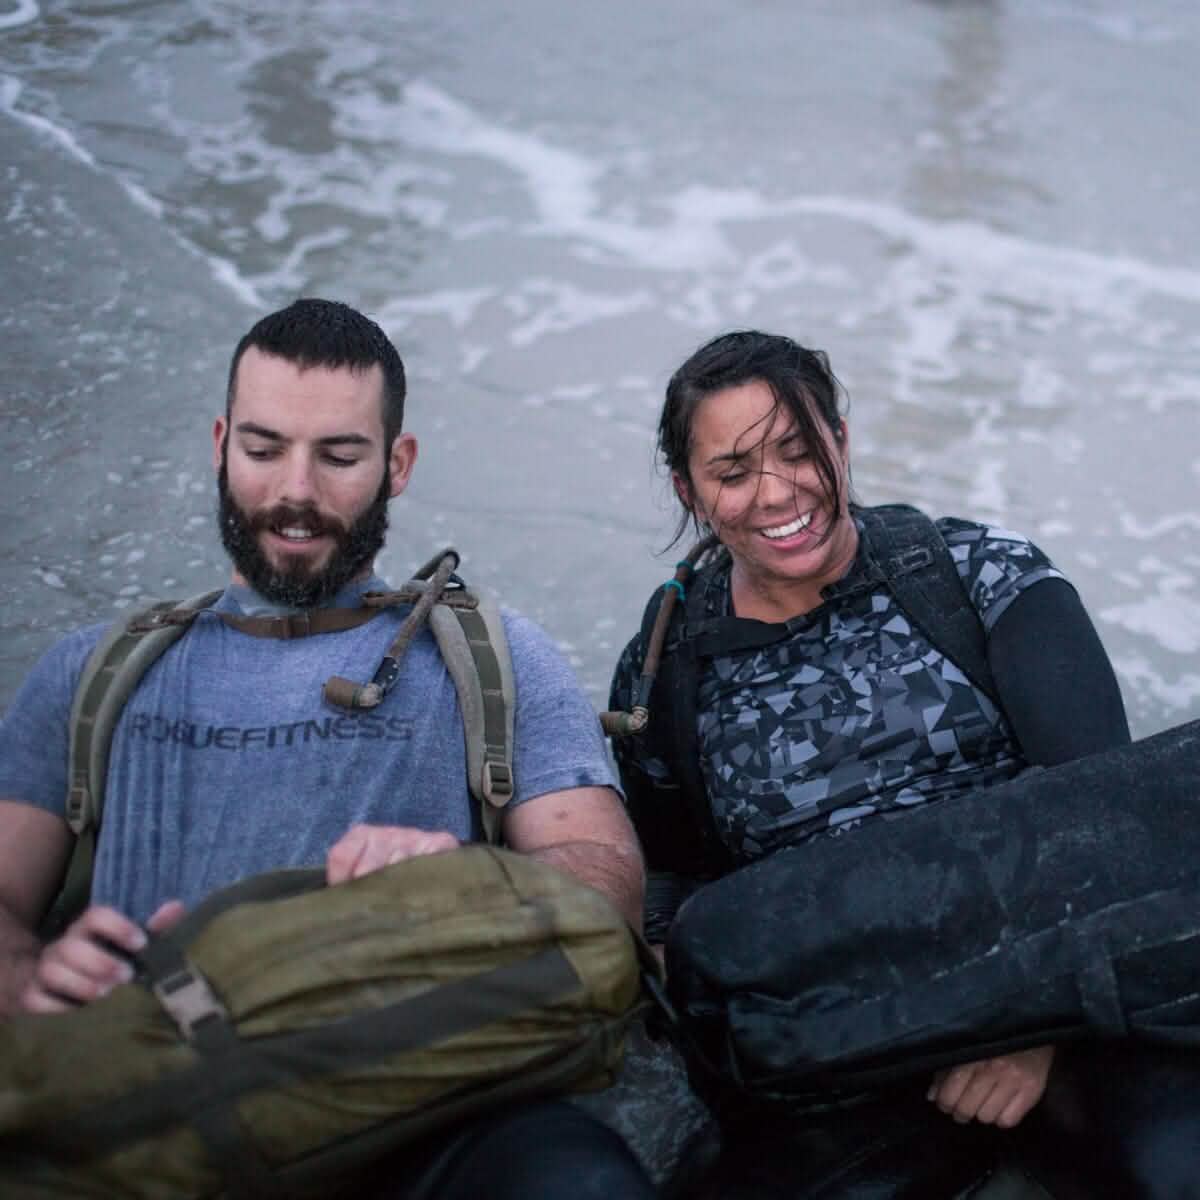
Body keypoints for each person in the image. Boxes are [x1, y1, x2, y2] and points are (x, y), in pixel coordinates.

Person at [0, 298, 656, 1200]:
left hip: (425, 1103)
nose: (295, 491)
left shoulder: (490, 657)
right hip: (152, 1106)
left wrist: (462, 877)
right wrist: (30, 971)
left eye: (340, 456)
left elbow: (607, 889)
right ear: (221, 441)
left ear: (399, 463)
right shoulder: (94, 670)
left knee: (579, 1183)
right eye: (263, 449)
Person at [609, 330, 1199, 1199]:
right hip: (851, 1043)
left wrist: (1031, 1030)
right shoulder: (669, 671)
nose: (777, 493)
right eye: (733, 473)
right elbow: (677, 879)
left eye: (799, 450)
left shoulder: (978, 577)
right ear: (689, 491)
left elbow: (1108, 824)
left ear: (840, 441)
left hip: (1066, 1002)